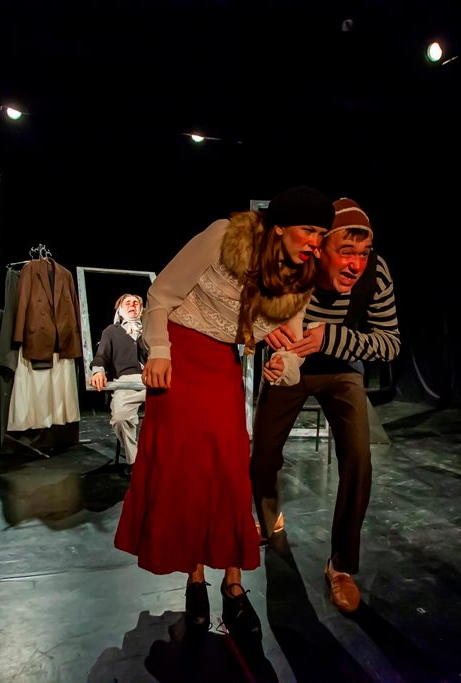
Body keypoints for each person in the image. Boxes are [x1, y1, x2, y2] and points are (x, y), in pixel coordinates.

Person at [114, 186, 334, 641]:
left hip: (220, 365)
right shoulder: (223, 236)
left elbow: (292, 349)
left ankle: (234, 585)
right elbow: (160, 295)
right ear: (280, 227)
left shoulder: (301, 279)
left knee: (229, 469)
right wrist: (159, 350)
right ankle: (195, 580)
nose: (316, 243)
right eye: (309, 231)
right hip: (178, 355)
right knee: (187, 473)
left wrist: (284, 365)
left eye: (322, 235)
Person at [250, 197, 400, 613]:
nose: (356, 264)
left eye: (364, 253)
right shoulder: (292, 265)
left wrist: (329, 338)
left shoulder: (376, 274)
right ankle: (269, 520)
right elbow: (252, 309)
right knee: (262, 455)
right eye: (346, 251)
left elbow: (390, 343)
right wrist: (267, 337)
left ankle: (341, 565)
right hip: (290, 365)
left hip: (341, 367)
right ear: (320, 250)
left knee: (359, 460)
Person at [89, 293, 148, 469]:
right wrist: (98, 372)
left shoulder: (150, 330)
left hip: (152, 380)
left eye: (136, 303)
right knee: (120, 418)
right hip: (126, 381)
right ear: (120, 310)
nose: (133, 305)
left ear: (142, 309)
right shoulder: (111, 331)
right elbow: (101, 356)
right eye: (127, 303)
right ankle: (136, 461)